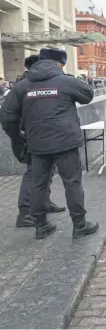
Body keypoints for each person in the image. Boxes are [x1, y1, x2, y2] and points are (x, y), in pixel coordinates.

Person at [0, 47, 99, 240]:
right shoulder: (65, 81)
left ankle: (41, 226)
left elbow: (7, 117)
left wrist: (18, 140)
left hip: (36, 144)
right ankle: (79, 225)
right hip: (65, 143)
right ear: (60, 64)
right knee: (72, 183)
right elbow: (88, 94)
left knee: (38, 183)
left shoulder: (22, 86)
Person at [11, 55, 65, 227]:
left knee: (45, 172)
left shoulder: (33, 83)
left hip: (41, 134)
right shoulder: (25, 84)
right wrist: (18, 136)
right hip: (31, 135)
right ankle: (25, 212)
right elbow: (9, 115)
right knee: (34, 174)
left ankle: (43, 202)